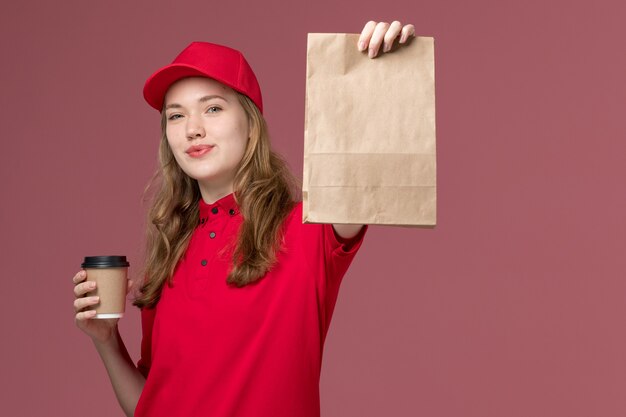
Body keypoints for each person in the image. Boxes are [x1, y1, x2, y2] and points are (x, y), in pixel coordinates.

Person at [73, 20, 416, 417]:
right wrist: (106, 340)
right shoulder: (167, 257)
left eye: (213, 108)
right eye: (176, 116)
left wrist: (378, 71)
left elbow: (364, 169)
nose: (193, 130)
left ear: (251, 123)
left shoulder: (308, 230)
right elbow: (151, 406)